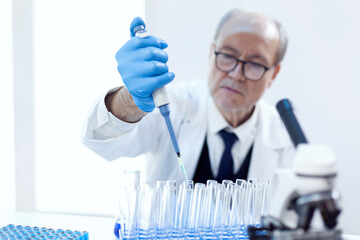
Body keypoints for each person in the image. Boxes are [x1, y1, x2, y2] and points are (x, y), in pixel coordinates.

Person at [82, 9, 294, 184]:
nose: (236, 74)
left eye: (255, 64)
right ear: (212, 53)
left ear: (273, 74)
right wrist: (130, 99)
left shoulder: (286, 140)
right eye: (228, 55)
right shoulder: (175, 105)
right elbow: (102, 141)